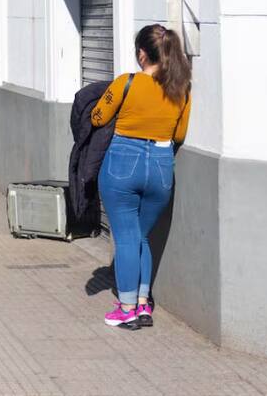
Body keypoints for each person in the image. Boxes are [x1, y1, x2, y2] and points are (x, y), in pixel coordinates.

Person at [91, 24, 192, 330]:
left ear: (142, 53)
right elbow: (180, 134)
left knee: (125, 239)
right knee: (140, 236)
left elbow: (98, 117)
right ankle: (144, 303)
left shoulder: (127, 83)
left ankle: (126, 308)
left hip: (123, 162)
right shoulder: (182, 90)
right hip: (161, 165)